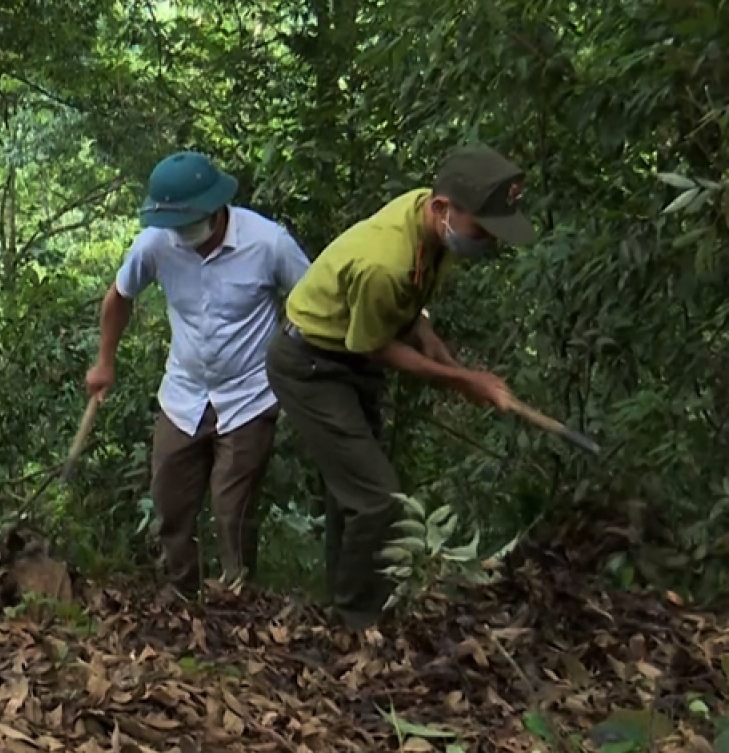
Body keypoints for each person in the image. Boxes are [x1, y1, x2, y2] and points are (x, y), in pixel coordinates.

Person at [265, 144, 534, 630]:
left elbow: (409, 306)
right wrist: (463, 379)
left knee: (353, 492)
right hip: (311, 365)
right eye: (483, 228)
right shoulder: (382, 263)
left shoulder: (425, 219)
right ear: (442, 209)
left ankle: (343, 605)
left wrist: (436, 346)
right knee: (379, 497)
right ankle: (355, 622)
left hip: (347, 357)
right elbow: (375, 346)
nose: (488, 241)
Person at [87, 151, 311, 593]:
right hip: (184, 393)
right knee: (170, 500)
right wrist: (105, 361)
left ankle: (237, 598)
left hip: (249, 395)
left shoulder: (268, 243)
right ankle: (182, 593)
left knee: (232, 510)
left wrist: (294, 358)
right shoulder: (155, 243)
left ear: (215, 207)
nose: (181, 233)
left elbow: (313, 302)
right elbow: (118, 297)